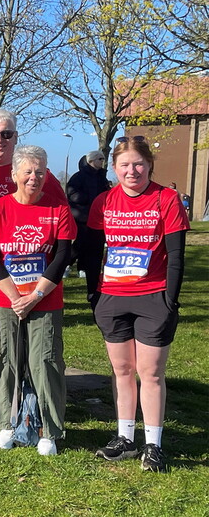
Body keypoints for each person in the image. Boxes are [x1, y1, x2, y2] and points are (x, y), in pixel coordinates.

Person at [86, 137, 189, 473]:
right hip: (113, 298)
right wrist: (94, 294)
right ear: (114, 168)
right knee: (122, 372)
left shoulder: (167, 198)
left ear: (149, 165)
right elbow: (90, 251)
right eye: (124, 165)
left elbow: (176, 255)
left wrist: (169, 300)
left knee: (151, 374)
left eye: (138, 163)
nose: (132, 170)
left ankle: (154, 444)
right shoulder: (103, 201)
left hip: (153, 296)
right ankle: (125, 438)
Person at [0, 109, 65, 420]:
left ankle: (27, 394)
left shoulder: (40, 173)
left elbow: (60, 221)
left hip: (33, 277)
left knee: (29, 339)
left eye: (7, 134)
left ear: (16, 137)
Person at [0, 145, 75, 456]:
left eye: (40, 171)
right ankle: (7, 424)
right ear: (14, 175)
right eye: (28, 171)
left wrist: (34, 296)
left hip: (44, 300)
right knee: (4, 361)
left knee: (44, 362)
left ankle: (49, 429)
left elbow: (62, 257)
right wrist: (15, 297)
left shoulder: (57, 209)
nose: (34, 177)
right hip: (3, 298)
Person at [66, 150, 109, 276]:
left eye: (103, 159)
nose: (102, 161)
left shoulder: (101, 176)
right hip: (81, 214)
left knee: (94, 243)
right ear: (91, 161)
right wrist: (87, 198)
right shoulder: (78, 176)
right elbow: (71, 193)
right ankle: (66, 264)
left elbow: (106, 191)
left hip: (98, 215)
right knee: (80, 241)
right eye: (99, 159)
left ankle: (83, 268)